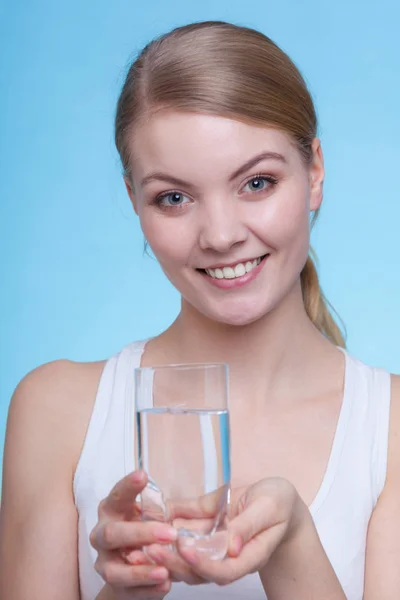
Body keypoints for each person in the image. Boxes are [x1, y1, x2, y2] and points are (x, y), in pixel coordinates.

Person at [0, 19, 399, 600]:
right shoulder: (56, 412)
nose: (219, 235)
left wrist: (293, 548)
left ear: (314, 172)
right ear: (136, 201)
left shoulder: (389, 430)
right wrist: (130, 587)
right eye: (175, 197)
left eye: (257, 183)